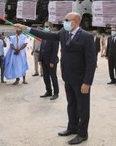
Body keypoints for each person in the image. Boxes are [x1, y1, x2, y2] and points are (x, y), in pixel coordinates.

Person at [15, 12, 96, 145]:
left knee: (83, 108)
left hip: (81, 79)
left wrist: (87, 82)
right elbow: (46, 35)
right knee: (71, 104)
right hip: (68, 77)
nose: (64, 22)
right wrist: (26, 28)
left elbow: (91, 62)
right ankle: (72, 127)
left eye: (66, 20)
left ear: (75, 21)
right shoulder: (64, 32)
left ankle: (82, 134)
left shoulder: (86, 37)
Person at [39, 21, 59, 100]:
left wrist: (52, 61)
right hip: (44, 60)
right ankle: (48, 91)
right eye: (45, 26)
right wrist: (40, 59)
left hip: (51, 61)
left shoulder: (54, 37)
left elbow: (55, 50)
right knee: (46, 77)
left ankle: (56, 93)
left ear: (51, 27)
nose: (45, 28)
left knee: (53, 77)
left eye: (47, 27)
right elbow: (42, 49)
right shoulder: (44, 36)